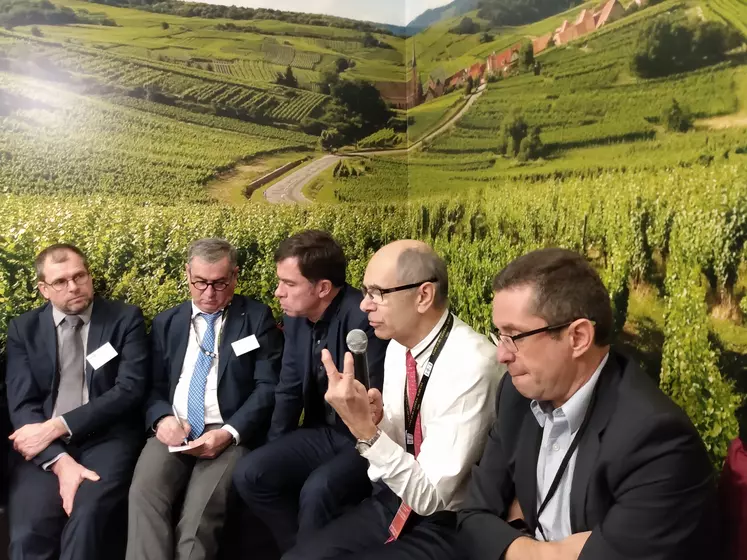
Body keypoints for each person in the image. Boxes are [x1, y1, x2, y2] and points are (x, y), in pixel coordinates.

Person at [458, 247, 719, 560]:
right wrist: (547, 554)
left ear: (578, 337)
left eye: (515, 336)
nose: (502, 354)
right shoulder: (516, 396)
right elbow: (471, 519)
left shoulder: (656, 438)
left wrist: (508, 535)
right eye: (499, 335)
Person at [283, 239, 503, 560]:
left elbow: (431, 498)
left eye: (378, 294)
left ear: (423, 296)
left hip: (448, 522)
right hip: (396, 499)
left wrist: (367, 434)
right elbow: (400, 447)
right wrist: (378, 421)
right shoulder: (399, 347)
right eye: (366, 291)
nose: (364, 305)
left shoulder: (472, 365)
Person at [232, 230, 389, 553]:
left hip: (365, 437)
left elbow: (377, 407)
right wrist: (275, 449)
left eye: (289, 285)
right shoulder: (296, 319)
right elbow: (288, 390)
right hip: (321, 433)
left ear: (323, 288)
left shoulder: (365, 323)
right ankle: (299, 551)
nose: (278, 293)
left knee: (319, 489)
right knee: (251, 472)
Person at [126, 238, 283, 560]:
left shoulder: (256, 318)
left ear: (235, 276)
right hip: (175, 429)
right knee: (144, 495)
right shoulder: (166, 323)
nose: (209, 293)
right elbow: (151, 387)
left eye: (219, 283)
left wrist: (229, 433)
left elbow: (267, 386)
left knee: (198, 519)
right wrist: (161, 420)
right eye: (200, 283)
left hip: (228, 433)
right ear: (187, 274)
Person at [6, 243, 149, 560]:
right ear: (44, 289)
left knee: (86, 519)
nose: (74, 287)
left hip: (106, 439)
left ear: (89, 275)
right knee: (29, 531)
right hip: (44, 447)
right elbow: (22, 404)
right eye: (60, 281)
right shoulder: (23, 330)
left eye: (79, 276)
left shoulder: (124, 320)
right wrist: (59, 461)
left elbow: (130, 389)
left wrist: (61, 425)